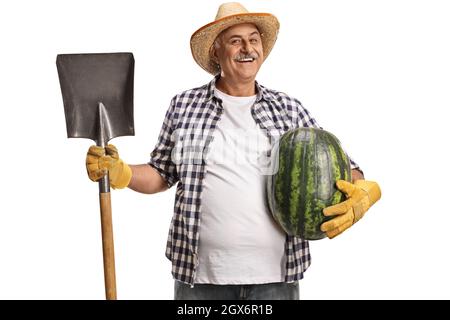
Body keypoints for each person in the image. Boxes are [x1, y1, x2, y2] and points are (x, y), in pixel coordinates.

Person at [86, 2, 381, 300]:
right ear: (216, 51)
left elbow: (344, 168)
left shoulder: (289, 109)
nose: (247, 48)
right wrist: (121, 172)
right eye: (235, 40)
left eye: (254, 39)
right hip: (200, 280)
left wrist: (364, 191)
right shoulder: (184, 106)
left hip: (275, 279)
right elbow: (160, 174)